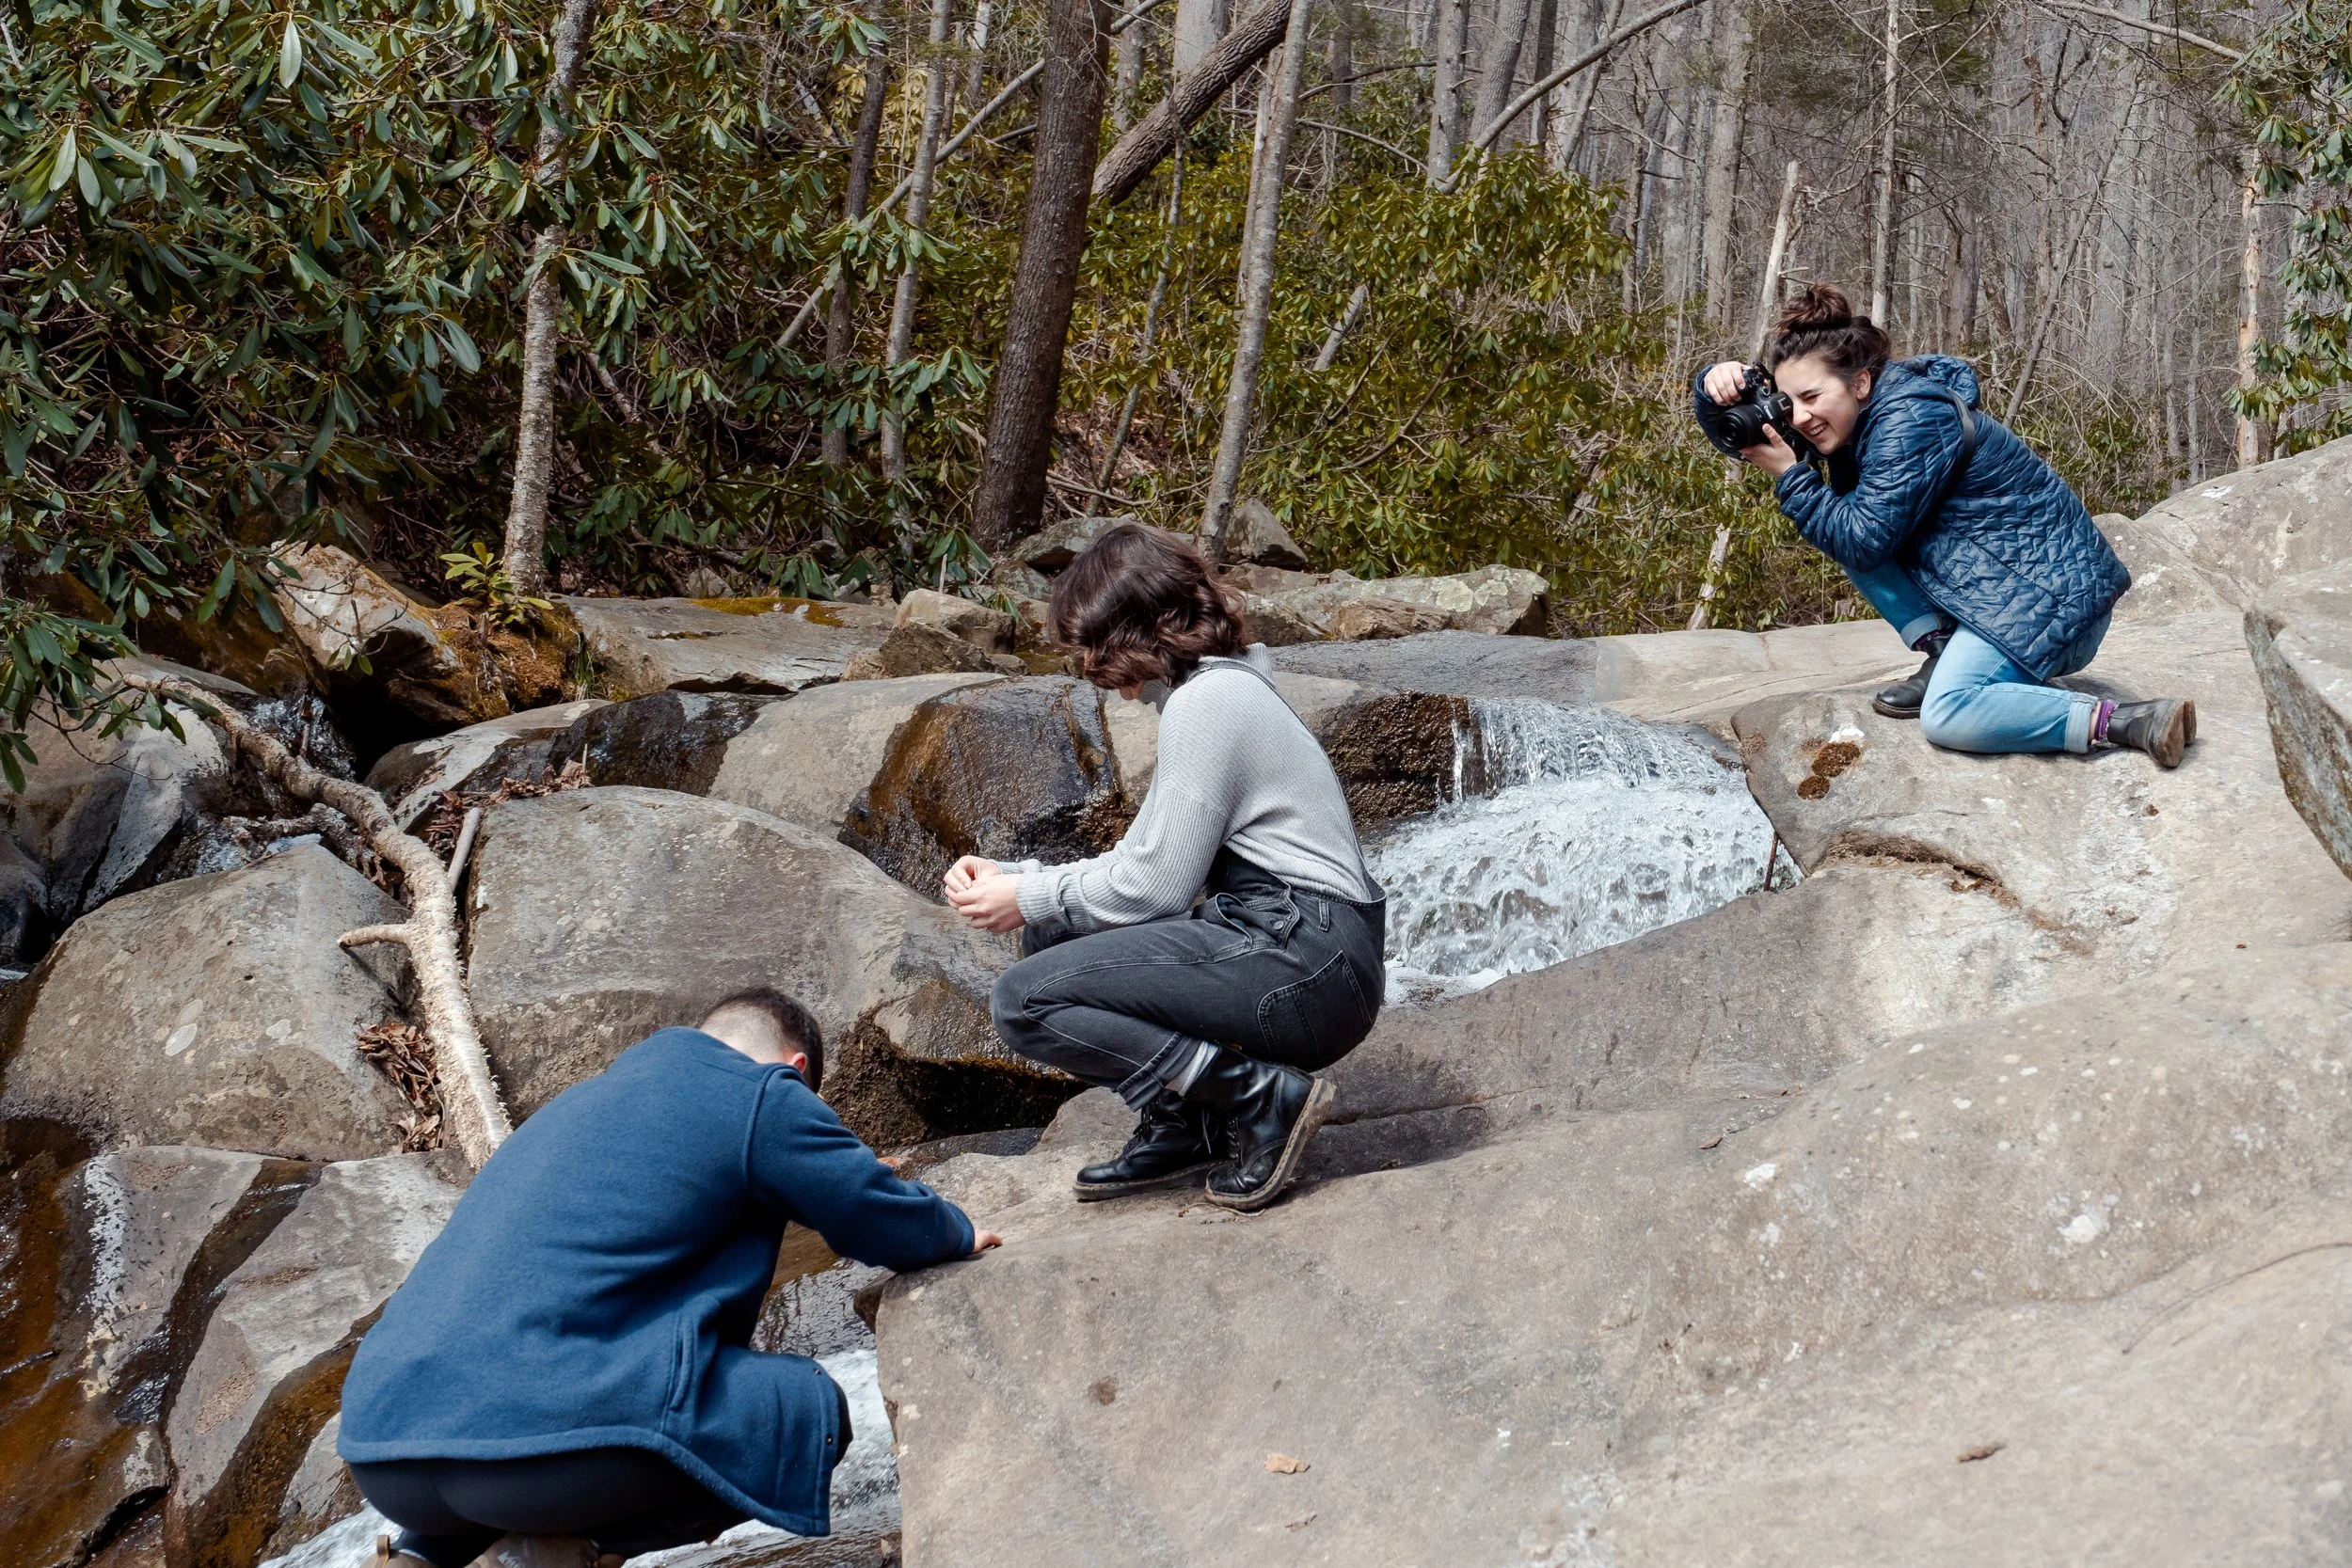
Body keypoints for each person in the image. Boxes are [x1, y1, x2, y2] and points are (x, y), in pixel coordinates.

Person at [340, 990, 998, 1568]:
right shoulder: (763, 1093)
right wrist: (956, 1230)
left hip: (383, 1451)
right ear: (796, 1070)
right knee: (807, 1414)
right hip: (525, 1467)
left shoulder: (579, 1102)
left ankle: (419, 1557)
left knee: (537, 1404)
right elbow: (868, 1208)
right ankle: (546, 1555)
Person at [945, 523, 1387, 1213]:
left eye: (1095, 642)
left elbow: (1154, 890)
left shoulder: (1208, 704)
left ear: (1147, 621)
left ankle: (1258, 1095)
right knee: (1054, 935)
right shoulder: (1221, 691)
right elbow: (1146, 863)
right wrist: (1017, 876)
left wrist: (1027, 893)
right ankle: (1188, 1118)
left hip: (1310, 961)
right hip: (1308, 952)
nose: (1090, 664)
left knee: (1023, 1001)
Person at [1694, 285, 2197, 768]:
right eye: (1787, 404)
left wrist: (1788, 474)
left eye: (1810, 396)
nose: (1799, 418)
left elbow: (1862, 539)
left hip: (2051, 602)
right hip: (1995, 593)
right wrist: (1712, 387)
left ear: (1861, 383)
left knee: (1950, 714)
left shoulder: (1911, 419)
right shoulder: (1853, 420)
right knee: (1841, 521)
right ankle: (1944, 653)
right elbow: (1740, 438)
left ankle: (2125, 720)